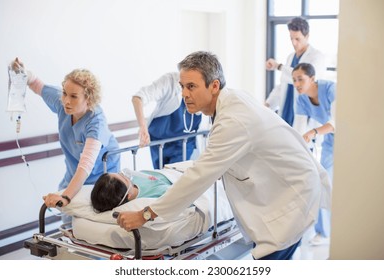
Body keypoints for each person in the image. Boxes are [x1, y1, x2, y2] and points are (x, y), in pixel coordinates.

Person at [114, 51, 331, 260]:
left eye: (191, 86)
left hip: (290, 199)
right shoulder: (230, 102)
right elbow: (210, 162)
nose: (184, 94)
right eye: (182, 86)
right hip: (286, 189)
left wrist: (145, 215)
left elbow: (200, 175)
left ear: (214, 85)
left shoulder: (232, 120)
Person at [11, 58, 120, 213]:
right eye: (64, 93)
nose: (66, 101)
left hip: (102, 177)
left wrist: (67, 197)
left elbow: (86, 164)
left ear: (88, 99)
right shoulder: (63, 103)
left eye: (74, 96)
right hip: (74, 171)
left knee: (88, 213)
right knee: (66, 213)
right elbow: (36, 84)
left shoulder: (96, 123)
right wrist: (22, 73)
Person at [292, 62, 336, 246]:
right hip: (331, 142)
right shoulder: (301, 99)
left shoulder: (331, 89)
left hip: (352, 138)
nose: (297, 84)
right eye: (294, 80)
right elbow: (299, 128)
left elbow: (335, 122)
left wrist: (313, 132)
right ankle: (324, 232)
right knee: (322, 180)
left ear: (312, 78)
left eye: (300, 79)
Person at [132, 72, 207, 169]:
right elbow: (137, 98)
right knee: (160, 177)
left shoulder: (205, 87)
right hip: (158, 140)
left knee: (174, 177)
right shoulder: (170, 81)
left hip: (184, 142)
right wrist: (142, 126)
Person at [265, 17, 326, 127]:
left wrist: (278, 66)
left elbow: (304, 77)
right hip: (285, 113)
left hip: (302, 117)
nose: (294, 43)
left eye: (297, 39)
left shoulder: (317, 57)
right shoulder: (290, 57)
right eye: (291, 38)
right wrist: (268, 103)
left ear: (307, 36)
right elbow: (282, 86)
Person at [91, 169, 171, 212]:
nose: (124, 174)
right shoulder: (152, 196)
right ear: (128, 195)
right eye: (124, 178)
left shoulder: (135, 178)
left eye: (119, 173)